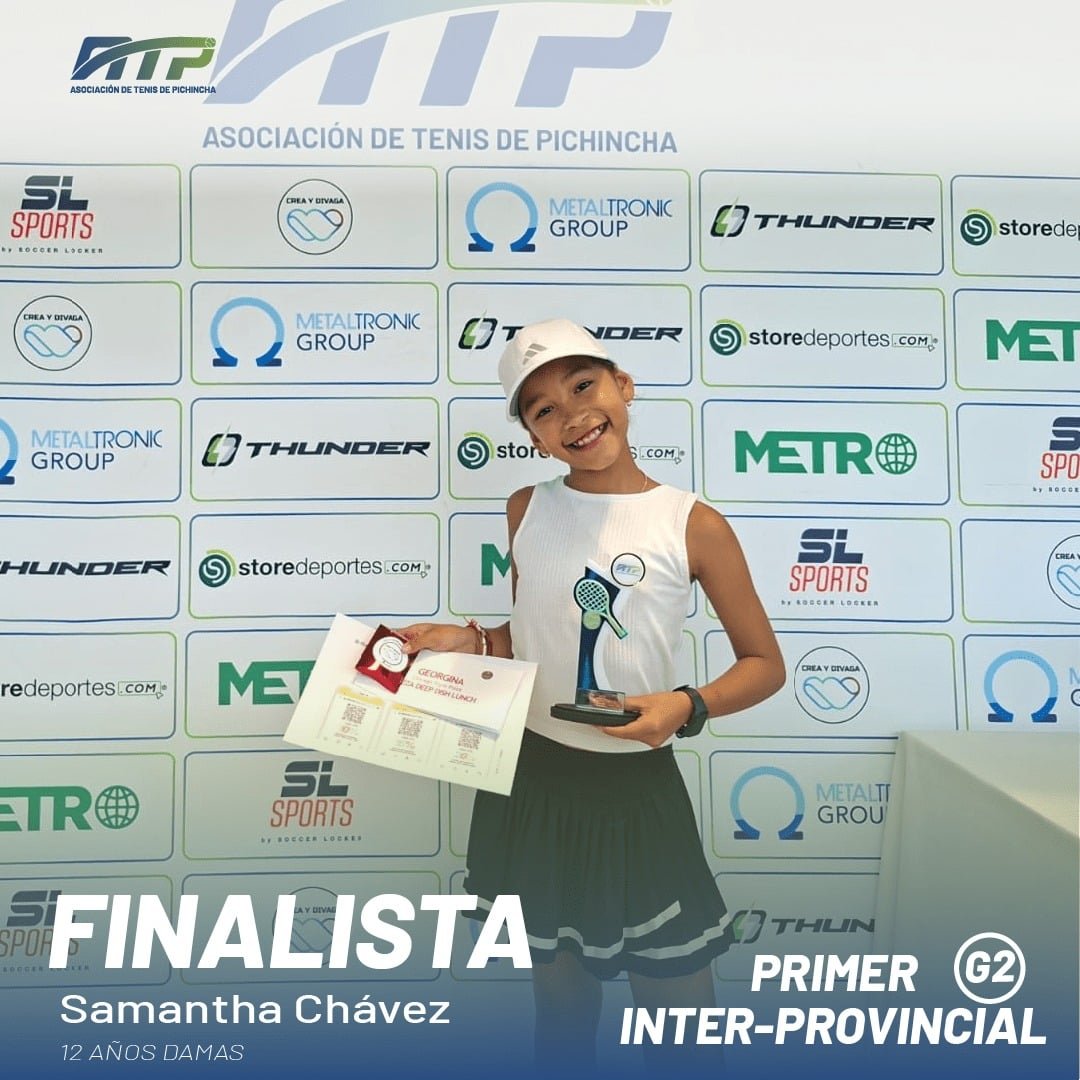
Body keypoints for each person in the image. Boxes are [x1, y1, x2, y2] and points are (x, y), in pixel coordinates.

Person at [402, 318, 785, 1071]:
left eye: (584, 385)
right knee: (562, 1008)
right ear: (533, 436)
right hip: (533, 781)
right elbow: (532, 638)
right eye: (543, 408)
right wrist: (471, 641)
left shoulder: (693, 522)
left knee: (682, 1022)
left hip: (635, 792)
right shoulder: (526, 507)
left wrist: (686, 705)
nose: (572, 414)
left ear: (623, 387)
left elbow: (764, 664)